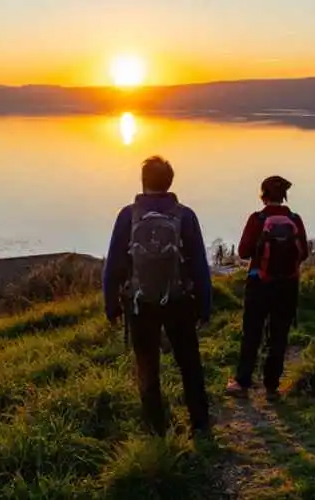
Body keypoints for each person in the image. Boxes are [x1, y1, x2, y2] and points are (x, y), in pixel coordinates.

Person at [102, 155, 212, 437]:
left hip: (140, 303)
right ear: (170, 182)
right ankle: (200, 424)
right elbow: (199, 264)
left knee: (147, 366)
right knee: (189, 363)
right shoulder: (185, 215)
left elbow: (114, 263)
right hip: (178, 300)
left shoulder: (128, 215)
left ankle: (155, 430)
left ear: (143, 182)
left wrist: (111, 305)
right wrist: (204, 306)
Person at [226, 175, 308, 401]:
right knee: (279, 334)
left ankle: (242, 382)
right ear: (284, 196)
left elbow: (243, 252)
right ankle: (272, 386)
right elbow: (304, 253)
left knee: (252, 333)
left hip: (259, 283)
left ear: (263, 195)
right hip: (288, 285)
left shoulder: (258, 218)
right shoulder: (294, 218)